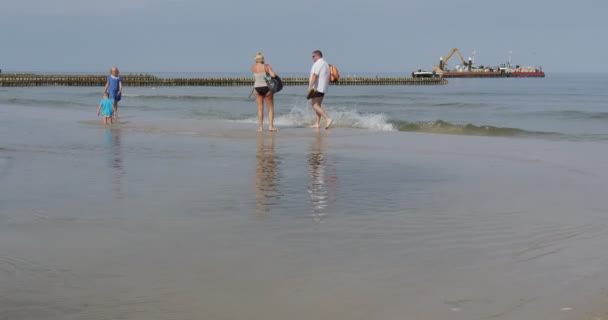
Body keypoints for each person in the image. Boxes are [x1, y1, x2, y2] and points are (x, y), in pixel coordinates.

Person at [251, 52, 278, 132]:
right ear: (263, 59)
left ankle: (260, 128)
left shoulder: (253, 67)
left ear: (256, 59)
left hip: (257, 88)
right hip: (267, 87)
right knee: (270, 108)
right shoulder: (266, 66)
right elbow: (273, 75)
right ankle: (270, 127)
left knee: (260, 109)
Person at [308, 50, 333, 129]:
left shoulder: (319, 63)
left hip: (317, 88)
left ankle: (328, 119)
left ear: (318, 55)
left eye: (313, 56)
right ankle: (317, 123)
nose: (312, 58)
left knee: (314, 105)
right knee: (318, 105)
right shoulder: (325, 63)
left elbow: (315, 75)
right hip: (323, 87)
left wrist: (310, 87)